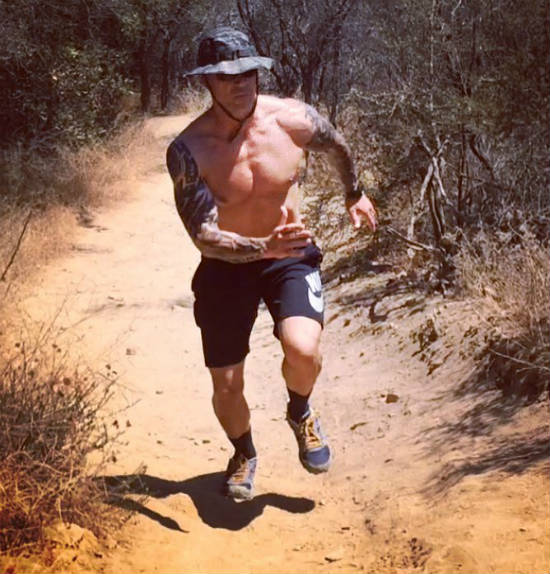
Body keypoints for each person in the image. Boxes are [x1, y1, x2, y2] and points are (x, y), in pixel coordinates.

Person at [166, 27, 377, 501]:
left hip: (290, 254)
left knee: (304, 349)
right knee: (226, 384)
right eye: (227, 76)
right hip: (226, 266)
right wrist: (263, 246)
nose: (241, 83)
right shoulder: (188, 150)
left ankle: (300, 411)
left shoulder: (293, 119)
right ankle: (243, 452)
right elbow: (203, 235)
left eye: (248, 72)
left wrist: (355, 193)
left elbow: (338, 145)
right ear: (208, 83)